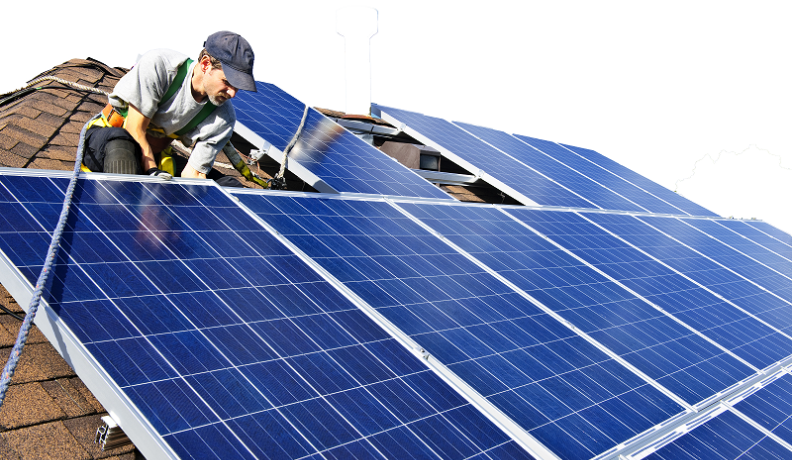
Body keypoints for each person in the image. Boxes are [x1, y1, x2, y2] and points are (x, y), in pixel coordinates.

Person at [82, 31, 257, 181]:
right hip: (107, 144)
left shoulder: (223, 117)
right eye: (227, 82)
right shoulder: (161, 66)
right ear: (205, 64)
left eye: (238, 87)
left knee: (224, 185)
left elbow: (194, 174)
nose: (232, 93)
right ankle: (121, 214)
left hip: (157, 158)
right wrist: (152, 173)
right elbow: (134, 129)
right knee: (123, 143)